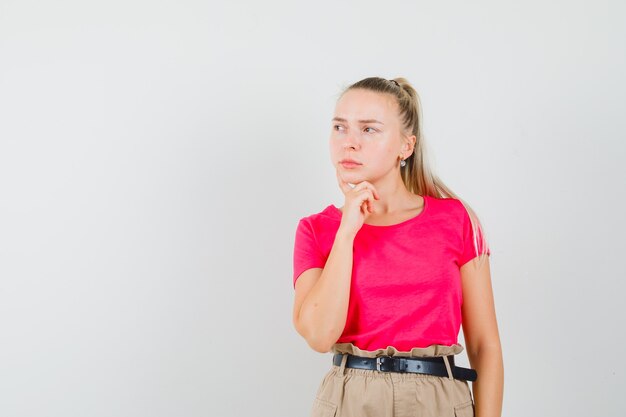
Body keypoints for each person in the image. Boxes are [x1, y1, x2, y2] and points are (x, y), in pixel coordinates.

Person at [291, 76, 504, 417]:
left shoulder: (456, 220)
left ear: (406, 146)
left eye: (369, 129)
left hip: (438, 398)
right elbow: (319, 335)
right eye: (339, 127)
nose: (350, 143)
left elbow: (484, 345)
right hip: (350, 399)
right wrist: (347, 231)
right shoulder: (317, 230)